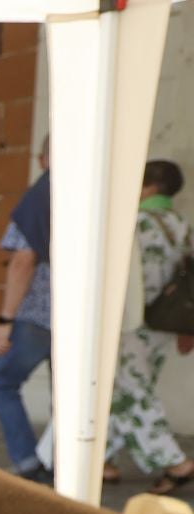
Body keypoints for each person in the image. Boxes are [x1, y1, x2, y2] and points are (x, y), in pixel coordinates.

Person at [107, 158, 194, 494]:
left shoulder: (137, 222)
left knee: (131, 393)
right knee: (122, 391)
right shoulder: (179, 223)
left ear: (151, 188)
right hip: (167, 323)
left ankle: (174, 461)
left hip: (133, 323)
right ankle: (103, 460)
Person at [0, 138, 54, 484]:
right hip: (78, 321)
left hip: (38, 314)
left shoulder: (40, 196)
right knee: (69, 397)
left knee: (0, 384)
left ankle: (29, 464)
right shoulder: (90, 197)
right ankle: (71, 464)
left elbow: (22, 262)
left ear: (42, 159)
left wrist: (5, 321)